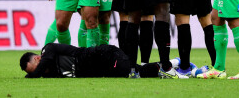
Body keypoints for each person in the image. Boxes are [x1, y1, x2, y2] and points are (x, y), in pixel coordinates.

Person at [20, 43, 163, 78]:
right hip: (104, 69)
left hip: (105, 55)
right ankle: (170, 65)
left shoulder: (48, 50)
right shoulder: (48, 74)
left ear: (38, 58)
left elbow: (44, 63)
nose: (39, 72)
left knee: (130, 72)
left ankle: (167, 67)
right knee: (137, 71)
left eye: (35, 69)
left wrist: (32, 76)